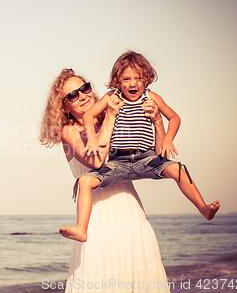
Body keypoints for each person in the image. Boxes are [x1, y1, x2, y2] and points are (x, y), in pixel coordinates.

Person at [59, 51, 220, 243]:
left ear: (147, 79)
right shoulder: (111, 98)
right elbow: (88, 116)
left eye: (138, 78)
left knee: (178, 169)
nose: (132, 84)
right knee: (84, 182)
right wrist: (92, 140)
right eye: (126, 79)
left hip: (146, 158)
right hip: (118, 162)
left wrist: (168, 137)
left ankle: (203, 208)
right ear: (117, 80)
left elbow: (175, 117)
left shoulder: (151, 97)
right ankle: (81, 228)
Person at [40, 68, 170, 292]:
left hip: (128, 206)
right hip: (97, 215)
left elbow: (157, 154)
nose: (82, 96)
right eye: (72, 95)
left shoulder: (118, 118)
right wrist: (109, 117)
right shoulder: (69, 131)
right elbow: (97, 161)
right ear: (64, 106)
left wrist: (157, 120)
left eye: (85, 88)